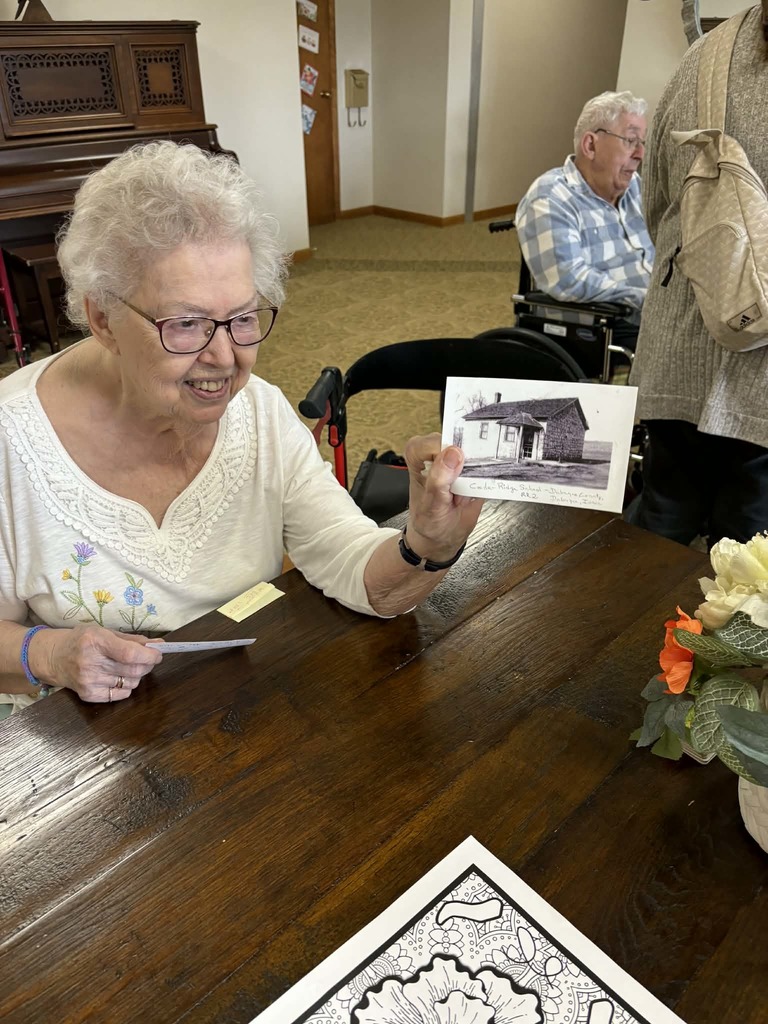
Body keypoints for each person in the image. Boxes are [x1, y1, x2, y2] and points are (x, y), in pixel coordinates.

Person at [0, 142, 482, 717]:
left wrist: (428, 545)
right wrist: (51, 653)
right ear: (102, 317)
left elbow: (351, 564)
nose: (227, 358)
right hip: (78, 749)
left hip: (239, 716)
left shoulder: (260, 414)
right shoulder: (12, 440)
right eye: (186, 324)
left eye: (243, 317)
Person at [626, 3, 768, 547]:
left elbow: (659, 202)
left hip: (677, 346)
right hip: (760, 382)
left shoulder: (702, 56)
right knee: (745, 567)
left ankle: (634, 632)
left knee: (660, 525)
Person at [515, 90, 654, 351]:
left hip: (652, 312)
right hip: (606, 323)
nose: (640, 154)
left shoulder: (634, 186)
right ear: (590, 145)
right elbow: (569, 278)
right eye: (631, 141)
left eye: (642, 143)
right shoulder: (550, 197)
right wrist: (646, 299)